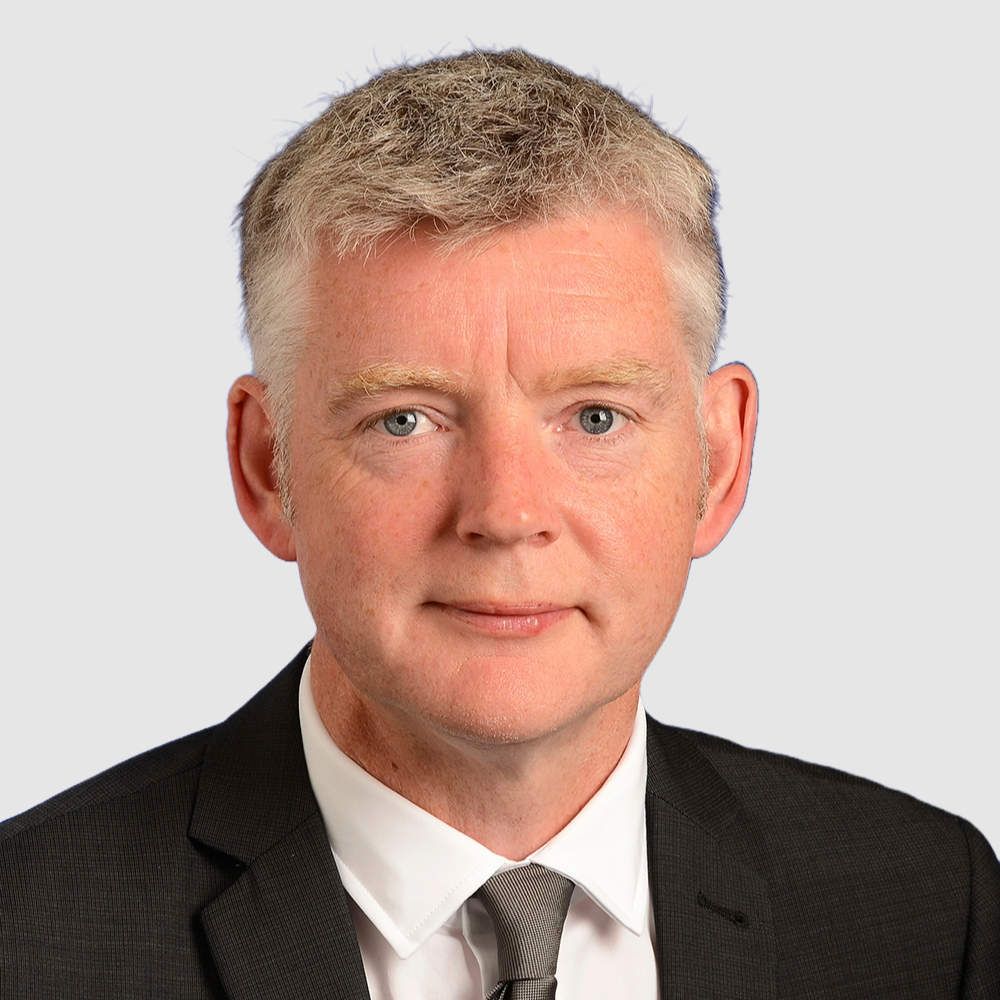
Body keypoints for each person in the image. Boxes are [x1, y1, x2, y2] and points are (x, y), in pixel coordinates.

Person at [1, 47, 997, 1000]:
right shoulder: (26, 935)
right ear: (268, 467)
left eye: (595, 417)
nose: (506, 515)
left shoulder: (925, 906)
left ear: (720, 458)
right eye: (404, 420)